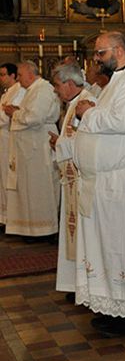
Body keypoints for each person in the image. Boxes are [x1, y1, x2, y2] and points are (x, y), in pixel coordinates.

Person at [73, 32, 125, 335]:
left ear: (119, 51)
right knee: (109, 245)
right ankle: (113, 306)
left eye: (100, 53)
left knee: (124, 246)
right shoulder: (119, 81)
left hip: (123, 181)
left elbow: (122, 121)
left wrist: (88, 112)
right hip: (106, 182)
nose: (96, 59)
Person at [50, 64, 95, 297]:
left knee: (80, 233)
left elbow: (86, 140)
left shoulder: (87, 103)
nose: (57, 91)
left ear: (69, 83)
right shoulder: (74, 103)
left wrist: (58, 143)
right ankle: (73, 283)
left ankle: (81, 284)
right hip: (72, 179)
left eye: (58, 86)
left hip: (80, 179)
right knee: (72, 232)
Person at [4, 61, 60, 238]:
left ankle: (43, 229)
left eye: (20, 75)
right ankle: (30, 228)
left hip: (38, 146)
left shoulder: (43, 89)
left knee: (39, 188)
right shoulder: (32, 90)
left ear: (30, 73)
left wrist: (15, 113)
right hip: (29, 147)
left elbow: (34, 117)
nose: (18, 79)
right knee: (29, 189)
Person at [0, 63, 23, 228]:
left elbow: (7, 117)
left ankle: (10, 217)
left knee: (9, 177)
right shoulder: (7, 93)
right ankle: (3, 215)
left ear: (13, 75)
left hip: (9, 139)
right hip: (3, 139)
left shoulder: (19, 91)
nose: (1, 78)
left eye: (3, 75)